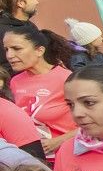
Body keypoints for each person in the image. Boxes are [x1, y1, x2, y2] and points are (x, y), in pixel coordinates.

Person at [4, 23, 74, 159]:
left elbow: (97, 121)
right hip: (34, 161)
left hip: (68, 158)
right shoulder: (14, 82)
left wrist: (59, 141)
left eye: (16, 48)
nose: (9, 55)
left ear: (39, 50)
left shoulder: (66, 78)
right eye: (6, 49)